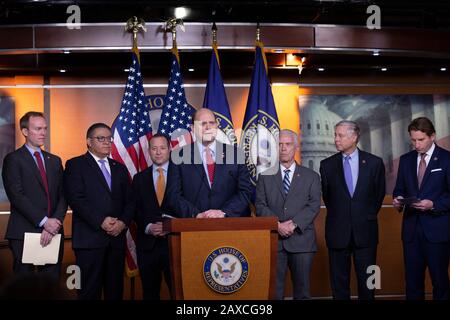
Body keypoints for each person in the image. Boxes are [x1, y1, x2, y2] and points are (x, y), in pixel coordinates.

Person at [64, 123, 134, 300]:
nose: (106, 142)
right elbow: (76, 199)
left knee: (115, 293)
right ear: (89, 142)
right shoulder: (75, 165)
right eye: (100, 138)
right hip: (89, 241)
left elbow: (130, 201)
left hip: (115, 241)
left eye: (109, 138)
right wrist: (101, 221)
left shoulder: (119, 168)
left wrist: (122, 222)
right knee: (88, 293)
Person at [320, 120, 385, 300]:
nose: (336, 139)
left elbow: (378, 196)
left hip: (366, 233)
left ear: (354, 137)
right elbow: (328, 197)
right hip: (337, 233)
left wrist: (363, 216)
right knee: (339, 286)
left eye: (340, 135)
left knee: (369, 283)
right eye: (335, 135)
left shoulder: (374, 163)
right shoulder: (327, 165)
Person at [256, 129, 321, 300]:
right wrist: (277, 225)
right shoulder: (264, 176)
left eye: (288, 144)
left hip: (302, 242)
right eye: (280, 144)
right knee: (275, 293)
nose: (283, 148)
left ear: (296, 147)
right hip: (274, 242)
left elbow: (313, 205)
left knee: (302, 292)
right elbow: (260, 206)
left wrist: (293, 224)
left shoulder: (312, 176)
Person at [2, 111, 67, 279]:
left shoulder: (55, 160)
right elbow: (17, 196)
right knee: (25, 288)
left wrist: (55, 223)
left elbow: (64, 194)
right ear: (25, 132)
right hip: (24, 232)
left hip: (54, 232)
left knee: (51, 286)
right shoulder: (13, 159)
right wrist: (45, 222)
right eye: (38, 129)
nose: (43, 133)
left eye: (45, 128)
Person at [392, 117, 450, 300]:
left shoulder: (447, 159)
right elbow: (399, 188)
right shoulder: (406, 160)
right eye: (413, 140)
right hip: (411, 232)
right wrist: (398, 199)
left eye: (421, 140)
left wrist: (434, 204)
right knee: (413, 284)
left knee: (440, 284)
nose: (416, 145)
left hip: (437, 232)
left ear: (432, 136)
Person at [170, 108, 252, 218]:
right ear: (193, 128)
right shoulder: (178, 156)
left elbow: (245, 191)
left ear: (216, 126)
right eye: (203, 124)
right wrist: (197, 215)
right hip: (193, 227)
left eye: (211, 123)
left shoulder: (236, 154)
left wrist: (223, 212)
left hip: (230, 225)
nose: (208, 127)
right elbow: (173, 195)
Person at [132, 133, 176, 300]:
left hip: (174, 242)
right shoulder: (139, 179)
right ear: (149, 151)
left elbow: (188, 206)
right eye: (154, 148)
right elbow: (135, 209)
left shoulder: (182, 175)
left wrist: (171, 225)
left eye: (162, 148)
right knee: (150, 294)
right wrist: (148, 227)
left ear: (170, 149)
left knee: (178, 292)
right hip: (147, 246)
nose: (158, 152)